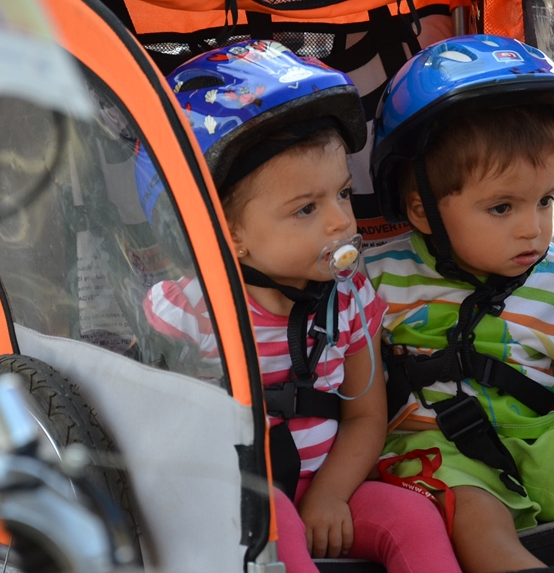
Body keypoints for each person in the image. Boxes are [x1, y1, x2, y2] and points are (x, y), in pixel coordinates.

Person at [142, 40, 462, 573]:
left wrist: (330, 495)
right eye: (306, 209)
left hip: (326, 478)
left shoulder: (351, 296)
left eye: (341, 194)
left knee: (412, 517)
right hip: (234, 496)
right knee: (277, 527)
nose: (341, 221)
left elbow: (365, 415)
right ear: (228, 233)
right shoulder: (193, 309)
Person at [365, 34, 554, 572]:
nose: (534, 227)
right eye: (502, 207)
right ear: (423, 212)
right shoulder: (378, 279)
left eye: (546, 200)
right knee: (474, 513)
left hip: (532, 442)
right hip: (431, 456)